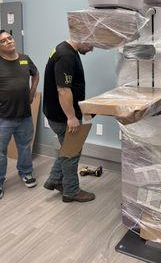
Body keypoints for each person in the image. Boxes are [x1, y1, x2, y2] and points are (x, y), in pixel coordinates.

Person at [43, 39, 95, 203]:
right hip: (63, 117)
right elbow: (63, 90)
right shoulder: (66, 56)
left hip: (57, 113)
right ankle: (71, 191)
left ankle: (55, 180)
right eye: (91, 45)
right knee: (71, 153)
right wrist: (71, 117)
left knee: (67, 150)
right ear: (83, 38)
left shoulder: (64, 49)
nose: (92, 49)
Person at [0, 30, 39, 199]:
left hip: (24, 115)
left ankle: (26, 172)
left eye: (9, 38)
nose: (8, 42)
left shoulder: (25, 58)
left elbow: (35, 74)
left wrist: (32, 91)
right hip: (3, 117)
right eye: (3, 41)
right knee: (0, 151)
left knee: (24, 147)